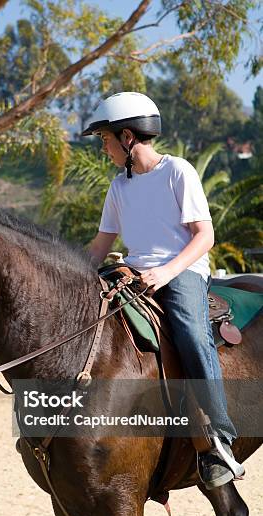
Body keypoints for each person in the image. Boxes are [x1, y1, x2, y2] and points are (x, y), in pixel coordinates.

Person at [84, 91, 244, 489]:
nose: (104, 148)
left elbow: (204, 236)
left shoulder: (178, 172)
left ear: (127, 137)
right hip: (133, 274)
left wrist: (167, 272)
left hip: (182, 271)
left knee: (191, 334)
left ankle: (218, 440)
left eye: (105, 139)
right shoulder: (119, 188)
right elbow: (100, 246)